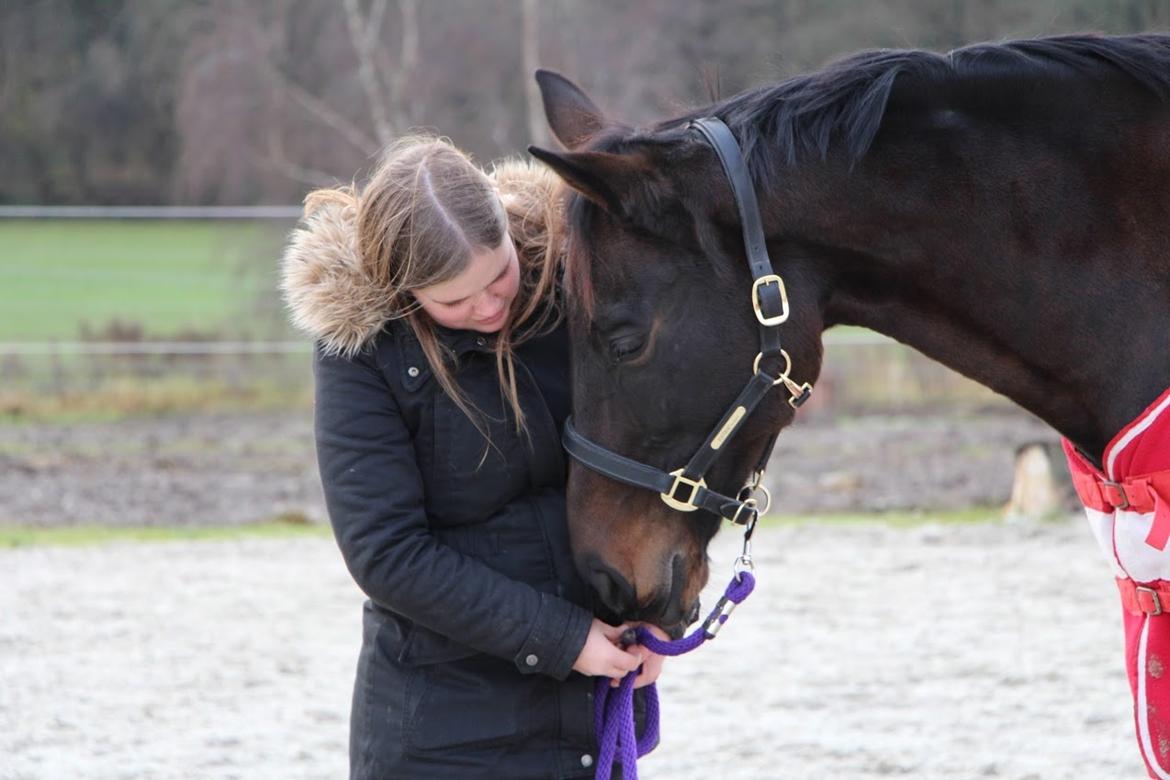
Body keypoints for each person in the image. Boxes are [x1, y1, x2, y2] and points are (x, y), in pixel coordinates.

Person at [279, 135, 663, 779]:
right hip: (440, 727)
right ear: (403, 289)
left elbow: (639, 460)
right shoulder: (362, 355)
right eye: (454, 300)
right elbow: (386, 553)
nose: (488, 307)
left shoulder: (572, 287)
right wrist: (564, 640)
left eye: (499, 276)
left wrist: (648, 611)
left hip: (584, 709)